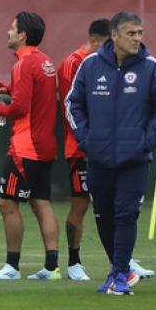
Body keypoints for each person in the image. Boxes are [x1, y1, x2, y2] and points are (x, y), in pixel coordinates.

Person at [66, 11, 156, 295]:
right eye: (131, 33)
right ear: (114, 35)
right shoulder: (91, 66)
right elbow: (72, 103)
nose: (137, 39)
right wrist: (86, 139)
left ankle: (117, 273)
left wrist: (146, 141)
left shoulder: (150, 67)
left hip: (134, 159)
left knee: (126, 215)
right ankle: (122, 271)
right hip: (98, 157)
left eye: (140, 33)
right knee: (103, 216)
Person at [0, 12, 60, 280]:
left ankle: (12, 266)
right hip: (45, 145)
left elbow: (20, 107)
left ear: (23, 35)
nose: (8, 31)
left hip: (25, 146)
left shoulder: (23, 63)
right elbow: (34, 94)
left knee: (7, 202)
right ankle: (51, 267)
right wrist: (10, 88)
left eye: (12, 28)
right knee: (41, 201)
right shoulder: (44, 61)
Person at [57, 18, 109, 281]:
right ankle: (74, 262)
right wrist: (88, 141)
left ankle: (123, 260)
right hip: (81, 148)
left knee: (117, 204)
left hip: (108, 148)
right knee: (80, 203)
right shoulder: (73, 63)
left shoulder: (107, 63)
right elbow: (72, 108)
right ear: (97, 41)